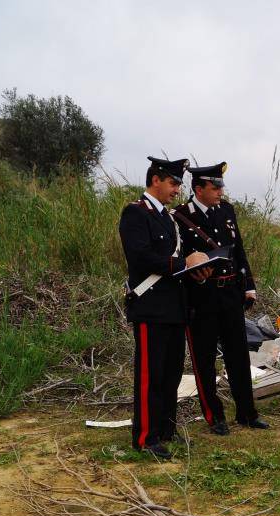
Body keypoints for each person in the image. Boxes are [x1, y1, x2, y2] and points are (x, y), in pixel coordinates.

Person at [119, 156, 211, 459]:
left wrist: (196, 266)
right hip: (151, 307)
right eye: (173, 183)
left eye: (179, 184)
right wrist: (182, 262)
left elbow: (177, 260)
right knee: (151, 375)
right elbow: (141, 258)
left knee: (171, 374)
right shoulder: (135, 213)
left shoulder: (169, 218)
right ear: (155, 180)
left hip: (174, 307)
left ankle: (166, 431)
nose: (177, 189)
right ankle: (145, 437)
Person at [173, 161, 269, 435]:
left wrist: (248, 285)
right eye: (215, 187)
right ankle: (214, 416)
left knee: (238, 355)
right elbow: (178, 258)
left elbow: (238, 250)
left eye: (221, 186)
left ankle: (247, 413)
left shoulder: (226, 210)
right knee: (204, 359)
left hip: (230, 293)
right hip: (201, 297)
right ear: (198, 188)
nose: (220, 191)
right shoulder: (180, 216)